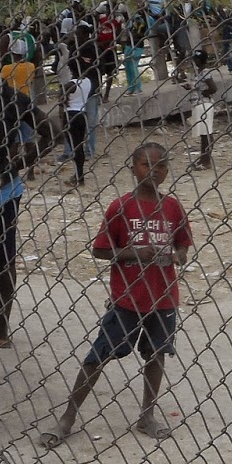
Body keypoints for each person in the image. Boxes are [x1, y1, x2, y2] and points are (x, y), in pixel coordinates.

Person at [39, 142, 193, 448]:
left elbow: (183, 243)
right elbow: (99, 249)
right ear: (133, 169)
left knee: (157, 354)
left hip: (162, 297)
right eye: (147, 165)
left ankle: (147, 415)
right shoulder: (120, 207)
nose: (155, 171)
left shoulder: (173, 207)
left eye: (162, 165)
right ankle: (68, 417)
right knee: (98, 357)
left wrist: (177, 256)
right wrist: (133, 252)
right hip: (127, 298)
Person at [0, 46, 54, 348]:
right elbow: (51, 132)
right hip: (6, 188)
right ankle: (1, 327)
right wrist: (18, 164)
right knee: (5, 260)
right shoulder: (12, 96)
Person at [62, 67, 94, 187]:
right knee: (79, 145)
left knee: (74, 146)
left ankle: (78, 176)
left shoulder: (71, 84)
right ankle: (79, 174)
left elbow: (62, 100)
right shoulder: (88, 82)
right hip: (82, 113)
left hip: (70, 115)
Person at [187, 51, 218, 170]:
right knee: (204, 133)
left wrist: (205, 93)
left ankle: (206, 161)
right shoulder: (197, 73)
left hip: (204, 104)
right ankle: (203, 158)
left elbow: (213, 88)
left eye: (195, 59)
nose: (193, 61)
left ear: (199, 60)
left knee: (206, 133)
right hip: (198, 104)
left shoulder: (205, 72)